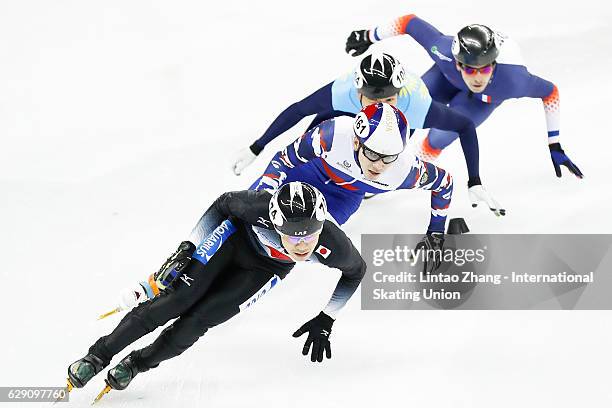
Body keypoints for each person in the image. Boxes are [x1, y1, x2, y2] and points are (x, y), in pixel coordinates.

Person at [66, 182, 366, 401]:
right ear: (275, 223)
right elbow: (223, 204)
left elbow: (357, 271)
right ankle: (97, 356)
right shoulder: (257, 206)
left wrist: (328, 317)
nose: (302, 246)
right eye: (292, 236)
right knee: (175, 301)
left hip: (267, 269)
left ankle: (137, 364)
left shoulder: (334, 244)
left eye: (310, 235)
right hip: (233, 241)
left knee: (198, 323)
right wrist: (188, 247)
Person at [232, 52, 503, 214]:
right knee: (319, 136)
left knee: (384, 151)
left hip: (400, 122)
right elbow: (300, 109)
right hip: (344, 117)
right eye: (373, 103)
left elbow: (465, 126)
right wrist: (257, 147)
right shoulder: (343, 92)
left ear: (399, 94)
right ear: (358, 93)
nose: (381, 109)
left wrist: (475, 180)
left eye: (389, 102)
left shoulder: (417, 107)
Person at [345, 15, 583, 181]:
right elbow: (410, 22)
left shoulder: (514, 80)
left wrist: (555, 143)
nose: (477, 77)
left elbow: (550, 92)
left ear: (494, 63)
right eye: (470, 68)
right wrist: (370, 35)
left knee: (438, 139)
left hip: (482, 101)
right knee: (405, 110)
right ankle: (371, 152)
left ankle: (396, 171)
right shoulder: (443, 50)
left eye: (485, 68)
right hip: (446, 78)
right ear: (457, 62)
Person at [251, 102, 456, 259]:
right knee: (245, 213)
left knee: (284, 248)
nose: (379, 165)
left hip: (342, 198)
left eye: (389, 157)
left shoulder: (406, 170)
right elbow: (284, 159)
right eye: (373, 154)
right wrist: (263, 192)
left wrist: (435, 234)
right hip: (307, 172)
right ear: (356, 141)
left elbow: (444, 183)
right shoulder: (332, 134)